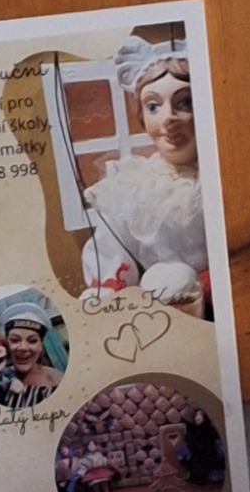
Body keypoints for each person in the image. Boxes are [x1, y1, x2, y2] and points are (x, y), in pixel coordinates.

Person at [81, 36, 208, 312]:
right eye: (153, 106)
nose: (168, 117)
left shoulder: (220, 180)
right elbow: (112, 255)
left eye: (184, 103)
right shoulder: (132, 187)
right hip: (156, 311)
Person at [0, 301, 63, 408]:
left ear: (41, 345)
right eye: (15, 340)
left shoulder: (57, 380)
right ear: (6, 343)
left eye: (32, 341)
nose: (23, 348)